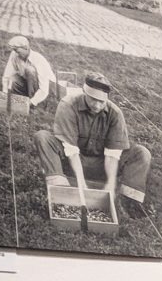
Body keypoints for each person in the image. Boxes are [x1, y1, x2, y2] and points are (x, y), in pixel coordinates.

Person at [40, 72, 154, 220]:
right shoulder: (68, 105)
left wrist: (110, 184)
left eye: (102, 101)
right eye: (93, 99)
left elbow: (112, 155)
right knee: (43, 137)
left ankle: (129, 203)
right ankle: (60, 191)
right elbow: (71, 151)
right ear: (84, 93)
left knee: (141, 152)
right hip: (71, 160)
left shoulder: (115, 113)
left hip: (101, 165)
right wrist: (81, 182)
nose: (97, 105)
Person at [0, 35, 56, 109]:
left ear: (26, 48)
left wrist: (32, 102)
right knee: (13, 78)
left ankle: (33, 104)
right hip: (29, 84)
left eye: (17, 51)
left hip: (45, 90)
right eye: (14, 51)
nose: (16, 53)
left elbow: (44, 89)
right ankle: (21, 100)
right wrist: (5, 93)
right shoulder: (14, 55)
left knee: (30, 70)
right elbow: (7, 75)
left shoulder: (38, 59)